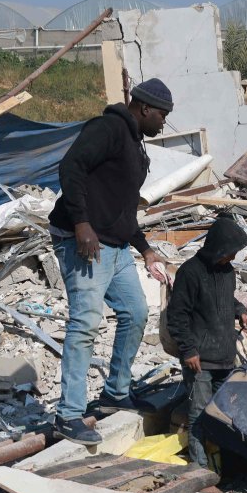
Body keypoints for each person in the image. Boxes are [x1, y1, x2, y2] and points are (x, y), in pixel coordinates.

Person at [46, 78, 175, 445]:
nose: (163, 122)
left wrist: (145, 248)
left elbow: (121, 209)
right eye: (162, 114)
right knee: (85, 324)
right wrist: (81, 222)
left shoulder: (134, 144)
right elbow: (71, 167)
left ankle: (116, 393)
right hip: (83, 241)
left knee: (135, 313)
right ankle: (67, 414)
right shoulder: (108, 128)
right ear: (145, 108)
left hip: (115, 247)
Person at [166, 214, 247, 467]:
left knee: (223, 414)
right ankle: (200, 470)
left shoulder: (228, 271)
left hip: (225, 357)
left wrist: (240, 310)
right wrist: (189, 350)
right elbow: (177, 315)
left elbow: (227, 299)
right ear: (217, 247)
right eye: (230, 252)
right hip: (200, 361)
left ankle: (226, 466)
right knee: (199, 416)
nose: (232, 257)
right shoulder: (190, 273)